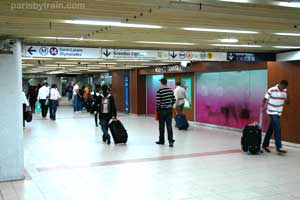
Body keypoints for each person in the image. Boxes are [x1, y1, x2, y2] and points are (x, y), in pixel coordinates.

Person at [262, 80, 289, 154]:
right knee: (278, 127)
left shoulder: (284, 91)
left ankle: (264, 145)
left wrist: (286, 93)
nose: (283, 88)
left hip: (278, 112)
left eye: (285, 88)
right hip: (271, 111)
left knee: (271, 129)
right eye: (283, 87)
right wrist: (262, 107)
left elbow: (287, 102)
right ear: (280, 84)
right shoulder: (271, 89)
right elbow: (265, 99)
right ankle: (278, 147)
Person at [156, 78, 176, 147]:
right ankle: (170, 142)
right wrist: (170, 105)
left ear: (161, 83)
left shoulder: (159, 91)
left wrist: (158, 110)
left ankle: (161, 140)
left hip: (162, 111)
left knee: (161, 126)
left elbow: (158, 102)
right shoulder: (170, 91)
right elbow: (174, 100)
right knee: (169, 126)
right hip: (169, 111)